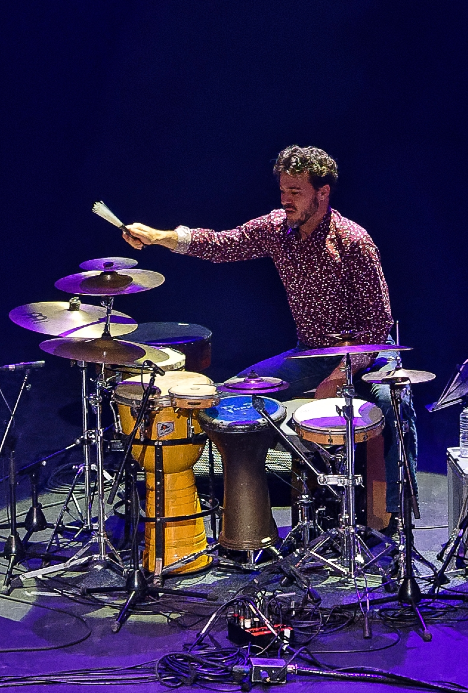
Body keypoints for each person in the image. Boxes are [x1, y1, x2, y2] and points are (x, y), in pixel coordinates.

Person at [120, 145, 409, 530]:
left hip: (369, 354)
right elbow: (221, 244)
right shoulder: (277, 229)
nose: (285, 199)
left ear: (322, 194)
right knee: (233, 395)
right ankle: (247, 510)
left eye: (296, 192)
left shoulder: (353, 241)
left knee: (394, 401)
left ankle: (392, 514)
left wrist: (342, 373)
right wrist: (159, 237)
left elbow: (377, 324)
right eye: (283, 190)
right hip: (312, 353)